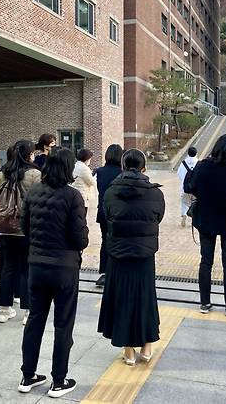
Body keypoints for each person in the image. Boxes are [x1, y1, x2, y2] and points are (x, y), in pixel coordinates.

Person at [19, 147, 89, 399]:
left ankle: (28, 375)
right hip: (64, 269)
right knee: (63, 324)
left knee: (35, 320)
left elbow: (25, 227)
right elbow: (80, 239)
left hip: (36, 266)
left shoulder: (34, 192)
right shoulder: (73, 197)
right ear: (69, 169)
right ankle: (59, 381)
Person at [98, 149, 165, 366]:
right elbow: (158, 218)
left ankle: (128, 351)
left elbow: (106, 218)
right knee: (145, 297)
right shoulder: (156, 194)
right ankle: (147, 346)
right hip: (145, 255)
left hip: (118, 254)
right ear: (144, 168)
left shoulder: (109, 192)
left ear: (123, 167)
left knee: (122, 299)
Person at [189, 134, 226, 317]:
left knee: (206, 261)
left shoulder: (203, 165)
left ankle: (205, 303)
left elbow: (191, 186)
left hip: (206, 219)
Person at [0, 140, 41, 325]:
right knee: (27, 269)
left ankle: (4, 310)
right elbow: (39, 202)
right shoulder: (35, 174)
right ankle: (27, 312)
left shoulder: (4, 174)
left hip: (6, 230)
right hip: (26, 230)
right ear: (29, 155)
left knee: (7, 269)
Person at [94, 144, 124, 287]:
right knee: (119, 242)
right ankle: (117, 272)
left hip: (103, 212)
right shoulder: (122, 172)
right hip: (119, 213)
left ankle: (104, 272)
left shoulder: (99, 171)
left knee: (105, 241)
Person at [177, 146, 198, 227]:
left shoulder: (183, 163)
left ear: (188, 153)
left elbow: (179, 173)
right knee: (195, 203)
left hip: (185, 188)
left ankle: (184, 215)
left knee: (184, 202)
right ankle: (194, 218)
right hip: (196, 189)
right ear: (196, 153)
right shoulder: (198, 163)